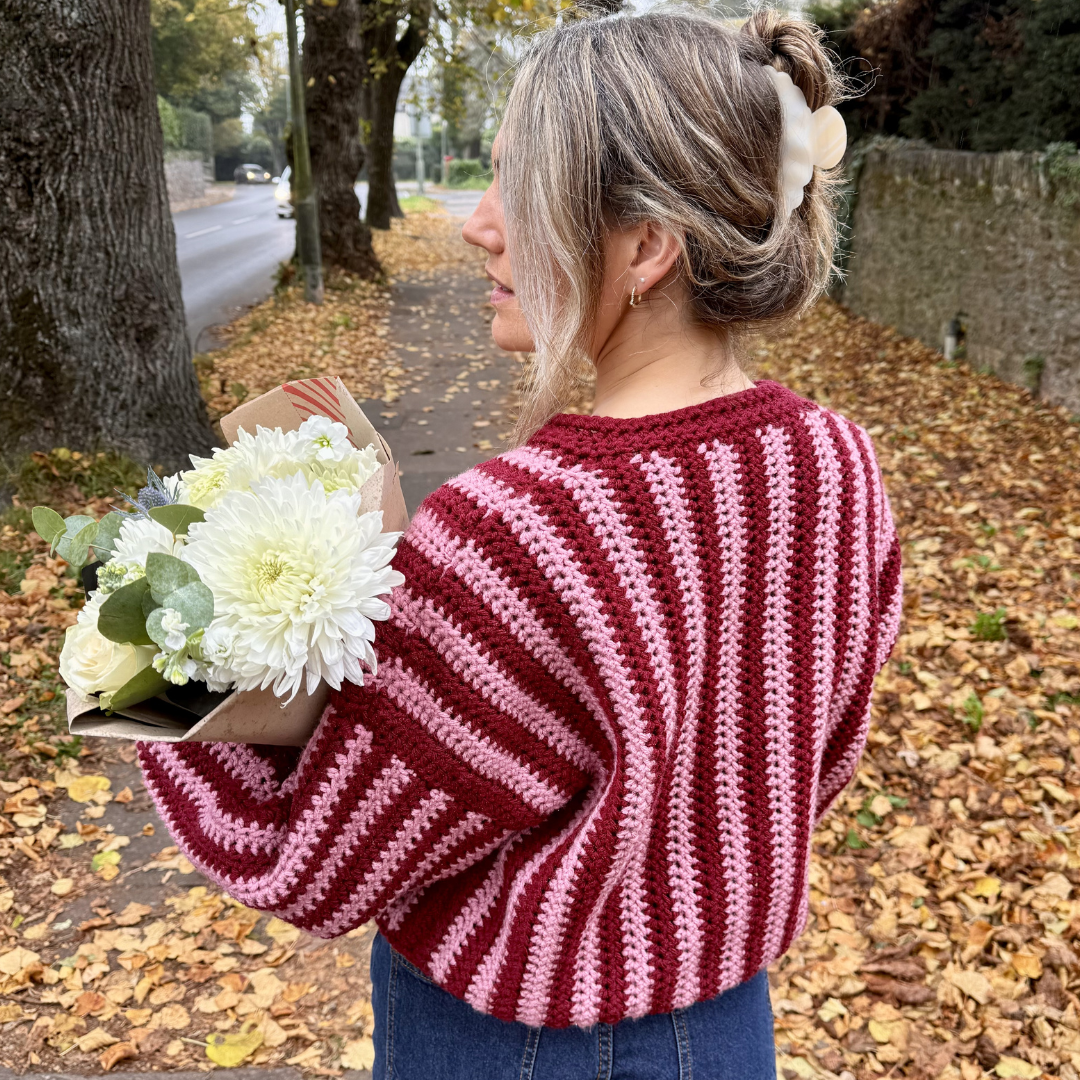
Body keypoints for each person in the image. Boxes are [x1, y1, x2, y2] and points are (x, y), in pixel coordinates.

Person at [138, 8, 902, 1078]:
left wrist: (154, 661)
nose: (480, 225)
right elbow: (805, 767)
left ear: (647, 246)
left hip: (511, 1039)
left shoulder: (513, 534)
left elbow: (310, 859)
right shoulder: (834, 464)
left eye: (520, 185)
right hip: (729, 1026)